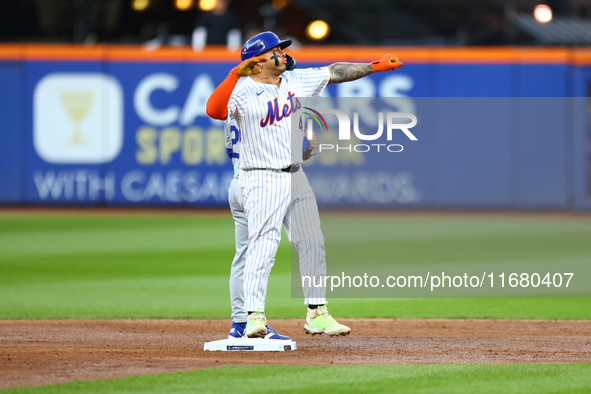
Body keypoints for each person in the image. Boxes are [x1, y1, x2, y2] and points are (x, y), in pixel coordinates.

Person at [207, 31, 403, 338]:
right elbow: (215, 110)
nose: (284, 53)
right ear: (258, 61)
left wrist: (373, 66)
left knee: (312, 241)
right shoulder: (242, 91)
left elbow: (334, 71)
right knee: (264, 244)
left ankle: (317, 313)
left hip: (295, 174)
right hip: (261, 176)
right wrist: (235, 74)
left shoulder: (295, 81)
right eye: (276, 51)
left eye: (283, 49)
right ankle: (253, 316)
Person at [224, 116, 316, 340]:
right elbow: (284, 151)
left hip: (238, 181)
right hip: (261, 185)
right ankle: (312, 313)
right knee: (265, 250)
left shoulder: (233, 103)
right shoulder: (264, 103)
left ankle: (239, 324)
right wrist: (307, 144)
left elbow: (232, 148)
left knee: (244, 255)